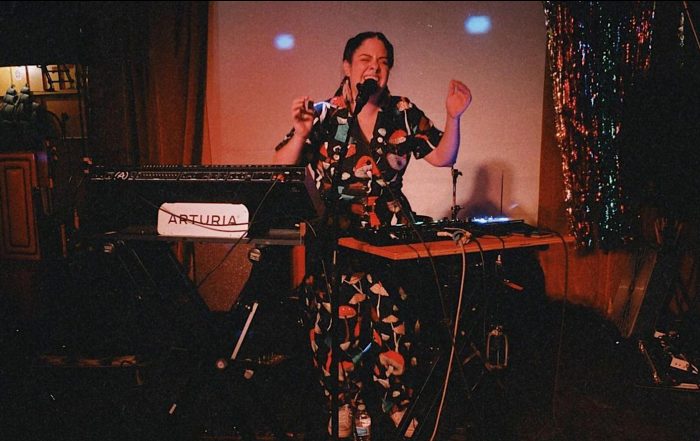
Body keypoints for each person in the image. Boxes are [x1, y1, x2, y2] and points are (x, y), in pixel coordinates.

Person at [273, 31, 471, 440]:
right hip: (336, 239)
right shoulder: (323, 114)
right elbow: (281, 165)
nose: (374, 68)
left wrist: (453, 117)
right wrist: (300, 131)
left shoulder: (402, 112)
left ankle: (397, 404)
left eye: (382, 62)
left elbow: (442, 155)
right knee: (334, 328)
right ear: (347, 66)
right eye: (365, 59)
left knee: (394, 326)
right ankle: (343, 405)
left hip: (388, 240)